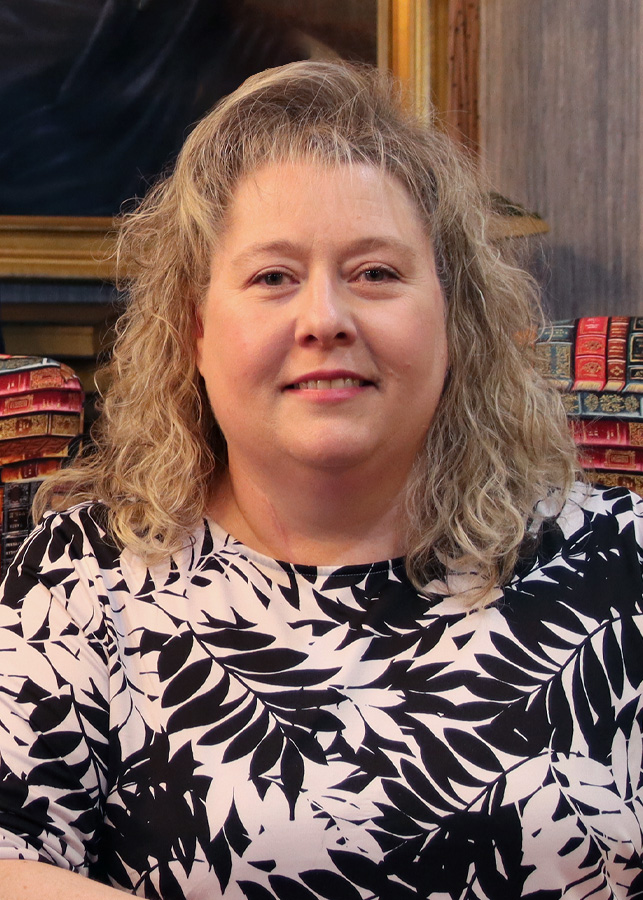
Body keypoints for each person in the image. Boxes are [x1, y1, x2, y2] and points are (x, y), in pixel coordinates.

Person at [0, 60, 641, 900]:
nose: (324, 320)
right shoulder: (82, 577)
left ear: (454, 317)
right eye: (273, 277)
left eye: (375, 273)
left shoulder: (620, 562)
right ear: (196, 331)